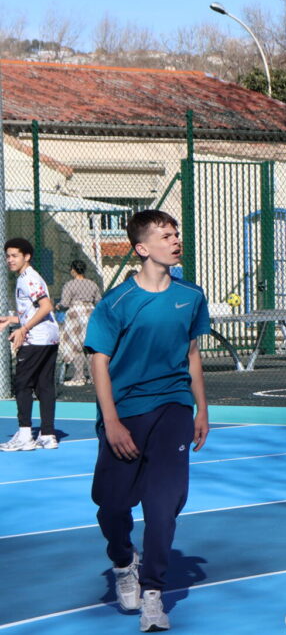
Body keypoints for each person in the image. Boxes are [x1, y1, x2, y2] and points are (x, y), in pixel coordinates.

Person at [84, 210, 211, 631]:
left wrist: (202, 410)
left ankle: (153, 594)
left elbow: (191, 353)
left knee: (164, 507)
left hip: (173, 409)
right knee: (111, 505)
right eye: (165, 235)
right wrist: (112, 421)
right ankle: (124, 561)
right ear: (142, 248)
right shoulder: (116, 302)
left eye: (176, 233)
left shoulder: (191, 296)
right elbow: (98, 362)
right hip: (125, 413)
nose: (175, 240)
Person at [0, 238, 61, 452]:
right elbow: (33, 311)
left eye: (15, 255)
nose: (10, 260)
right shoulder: (27, 278)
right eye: (7, 256)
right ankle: (47, 434)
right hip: (49, 337)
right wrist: (12, 320)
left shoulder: (29, 278)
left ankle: (25, 434)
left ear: (27, 256)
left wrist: (24, 329)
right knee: (44, 386)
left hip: (36, 339)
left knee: (22, 384)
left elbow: (46, 306)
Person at [59, 259, 102, 387]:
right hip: (90, 312)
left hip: (75, 313)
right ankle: (94, 376)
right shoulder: (92, 284)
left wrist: (58, 306)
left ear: (73, 270)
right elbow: (99, 301)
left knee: (75, 345)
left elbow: (65, 303)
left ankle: (79, 376)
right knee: (89, 346)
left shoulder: (69, 285)